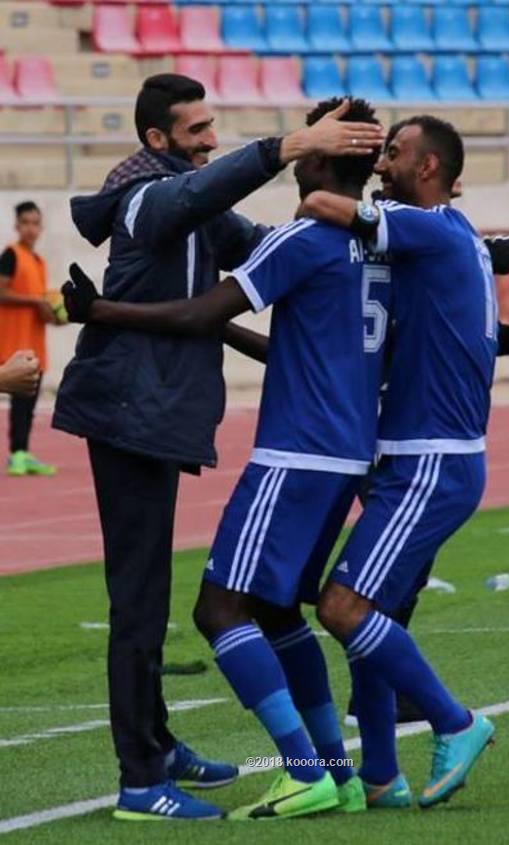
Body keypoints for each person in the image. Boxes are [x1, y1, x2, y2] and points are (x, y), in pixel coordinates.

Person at [53, 76, 383, 823]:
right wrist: (290, 148)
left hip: (157, 417)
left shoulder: (201, 206)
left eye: (212, 126)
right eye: (195, 129)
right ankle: (142, 781)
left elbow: (273, 247)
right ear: (157, 141)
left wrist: (372, 222)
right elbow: (197, 201)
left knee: (162, 597)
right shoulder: (147, 197)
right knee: (140, 603)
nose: (209, 138)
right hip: (127, 414)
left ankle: (162, 744)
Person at [296, 115, 509, 809]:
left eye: (393, 154)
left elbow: (321, 204)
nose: (381, 165)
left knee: (341, 607)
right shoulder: (450, 237)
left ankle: (456, 721)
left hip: (430, 461)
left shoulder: (428, 227)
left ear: (427, 168)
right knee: (373, 614)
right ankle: (380, 775)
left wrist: (313, 159)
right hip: (421, 457)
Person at [0, 202, 60, 476]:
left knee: (29, 405)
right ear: (16, 225)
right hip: (12, 343)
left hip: (34, 344)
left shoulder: (39, 262)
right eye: (25, 222)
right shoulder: (10, 255)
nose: (30, 228)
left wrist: (53, 313)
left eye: (35, 223)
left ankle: (23, 452)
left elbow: (39, 303)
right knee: (20, 403)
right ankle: (17, 455)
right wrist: (36, 302)